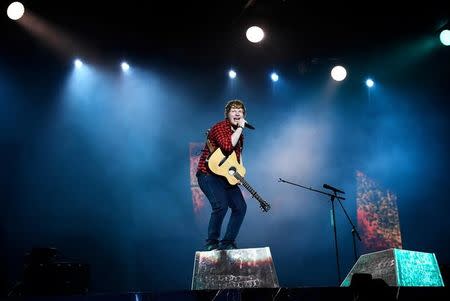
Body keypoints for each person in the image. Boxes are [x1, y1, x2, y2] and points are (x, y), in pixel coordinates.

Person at [196, 99, 248, 251]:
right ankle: (212, 242)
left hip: (226, 176)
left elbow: (237, 156)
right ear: (227, 114)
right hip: (209, 175)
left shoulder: (239, 135)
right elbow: (226, 147)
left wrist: (240, 172)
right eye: (233, 110)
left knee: (240, 207)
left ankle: (228, 242)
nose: (237, 113)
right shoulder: (220, 127)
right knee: (221, 206)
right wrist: (239, 129)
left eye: (240, 111)